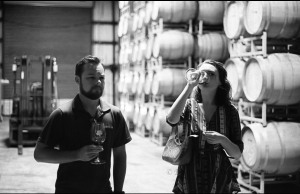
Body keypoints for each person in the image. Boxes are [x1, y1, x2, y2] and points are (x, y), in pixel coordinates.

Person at [34, 55, 131, 193]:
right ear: (77, 80)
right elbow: (39, 154)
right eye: (91, 77)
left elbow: (120, 154)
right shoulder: (62, 115)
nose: (98, 81)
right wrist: (77, 155)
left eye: (101, 78)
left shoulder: (114, 114)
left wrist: (118, 191)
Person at [166, 60, 244, 193]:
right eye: (202, 73)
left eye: (211, 74)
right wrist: (189, 87)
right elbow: (171, 119)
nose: (205, 77)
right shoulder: (190, 106)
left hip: (219, 172)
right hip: (190, 171)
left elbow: (236, 154)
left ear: (220, 81)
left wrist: (222, 139)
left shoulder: (230, 111)